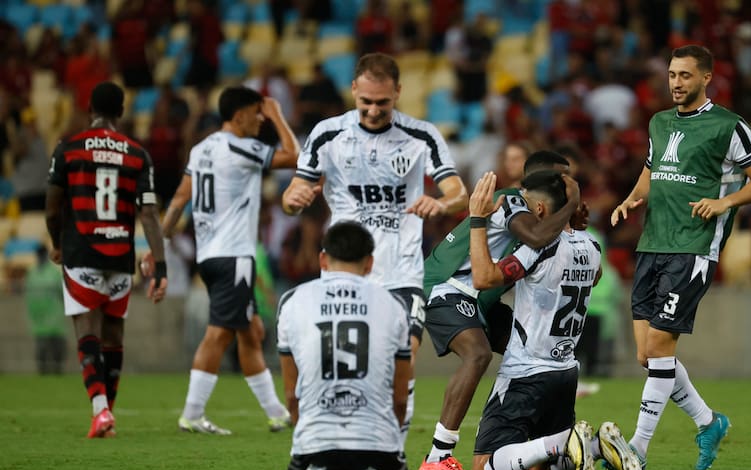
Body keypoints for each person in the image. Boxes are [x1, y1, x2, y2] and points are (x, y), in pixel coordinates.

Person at [281, 52, 469, 449]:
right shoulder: (327, 134)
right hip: (345, 271)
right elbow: (294, 192)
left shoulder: (421, 136)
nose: (372, 110)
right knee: (343, 367)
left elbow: (457, 191)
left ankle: (391, 452)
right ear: (353, 89)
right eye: (365, 101)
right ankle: (336, 446)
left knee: (405, 360)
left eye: (382, 102)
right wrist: (293, 199)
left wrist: (441, 204)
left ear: (398, 92)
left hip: (402, 273)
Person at [610, 45, 751, 470]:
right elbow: (652, 172)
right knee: (648, 356)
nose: (676, 83)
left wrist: (725, 203)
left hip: (693, 247)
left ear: (706, 78)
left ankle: (637, 449)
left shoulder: (729, 125)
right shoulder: (659, 121)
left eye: (685, 75)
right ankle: (708, 422)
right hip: (653, 243)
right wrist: (631, 198)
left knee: (660, 345)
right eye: (671, 75)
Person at [468, 170, 642, 470]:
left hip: (525, 372)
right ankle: (597, 445)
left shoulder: (537, 249)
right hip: (565, 372)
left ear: (539, 209)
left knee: (483, 468)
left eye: (524, 204)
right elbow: (595, 277)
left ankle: (563, 441)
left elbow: (483, 278)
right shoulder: (591, 244)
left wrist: (477, 221)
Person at [418, 150, 580, 470]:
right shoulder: (510, 202)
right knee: (477, 355)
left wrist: (569, 221)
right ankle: (438, 457)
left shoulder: (538, 213)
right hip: (449, 287)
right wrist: (572, 206)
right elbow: (537, 238)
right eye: (562, 178)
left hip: (482, 300)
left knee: (531, 355)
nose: (567, 185)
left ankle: (525, 451)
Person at [160, 86, 300, 435]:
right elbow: (294, 155)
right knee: (219, 334)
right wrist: (277, 113)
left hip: (209, 256)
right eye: (256, 113)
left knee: (251, 332)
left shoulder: (201, 149)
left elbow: (179, 199)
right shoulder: (240, 147)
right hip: (233, 254)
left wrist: (158, 242)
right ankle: (192, 414)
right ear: (238, 116)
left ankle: (277, 413)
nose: (260, 119)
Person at [44, 81, 168, 438]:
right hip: (119, 254)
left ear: (89, 110)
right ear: (122, 112)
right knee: (113, 336)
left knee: (88, 330)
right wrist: (160, 266)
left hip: (81, 250)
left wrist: (57, 242)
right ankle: (107, 415)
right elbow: (149, 214)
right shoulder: (137, 154)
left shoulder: (68, 149)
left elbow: (52, 208)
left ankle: (100, 410)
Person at [278, 221, 411, 470]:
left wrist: (306, 434)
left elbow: (291, 394)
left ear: (323, 259)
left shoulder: (293, 301)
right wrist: (388, 437)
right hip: (375, 440)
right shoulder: (393, 305)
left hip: (315, 440)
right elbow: (400, 399)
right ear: (370, 263)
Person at [24, 244, 67, 374]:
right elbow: (28, 295)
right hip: (38, 316)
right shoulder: (32, 273)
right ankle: (42, 371)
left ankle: (58, 370)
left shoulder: (54, 273)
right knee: (41, 347)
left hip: (54, 315)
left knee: (57, 346)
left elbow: (62, 293)